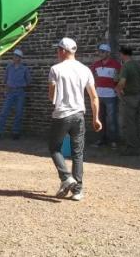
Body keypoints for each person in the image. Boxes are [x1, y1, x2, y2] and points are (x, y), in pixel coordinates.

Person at [48, 37, 101, 202]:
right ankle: (77, 190)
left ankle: (66, 177)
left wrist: (54, 94)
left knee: (54, 148)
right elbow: (94, 97)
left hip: (62, 114)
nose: (57, 52)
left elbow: (52, 97)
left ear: (63, 51)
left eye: (58, 49)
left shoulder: (55, 69)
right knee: (77, 152)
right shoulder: (85, 69)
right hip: (79, 115)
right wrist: (96, 118)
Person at [0, 49, 31, 139]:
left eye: (16, 56)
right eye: (14, 56)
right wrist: (6, 88)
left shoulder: (24, 69)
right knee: (4, 111)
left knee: (19, 113)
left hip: (20, 92)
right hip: (10, 92)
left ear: (20, 58)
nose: (14, 57)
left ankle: (16, 132)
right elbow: (5, 79)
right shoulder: (9, 67)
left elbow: (29, 81)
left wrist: (21, 85)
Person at [89, 44, 121, 148]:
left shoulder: (115, 64)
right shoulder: (96, 64)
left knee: (111, 119)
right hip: (98, 95)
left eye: (103, 52)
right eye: (100, 51)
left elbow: (121, 77)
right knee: (100, 118)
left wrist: (117, 87)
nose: (100, 53)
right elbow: (90, 76)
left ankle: (113, 141)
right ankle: (101, 140)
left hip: (111, 95)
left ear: (108, 53)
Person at [115, 45, 140, 156]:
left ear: (122, 54)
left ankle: (132, 148)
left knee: (128, 124)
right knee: (135, 123)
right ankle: (136, 146)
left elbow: (122, 82)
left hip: (129, 98)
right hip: (137, 96)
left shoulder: (126, 66)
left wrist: (118, 91)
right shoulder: (136, 65)